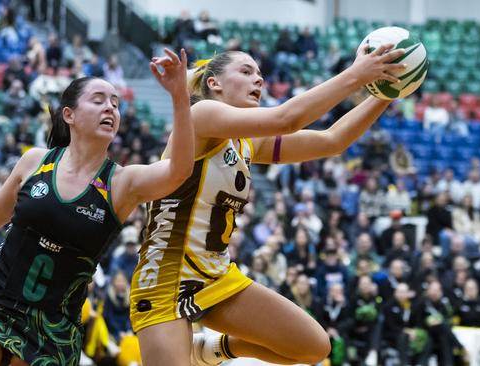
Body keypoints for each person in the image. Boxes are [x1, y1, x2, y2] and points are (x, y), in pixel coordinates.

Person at [0, 48, 193, 366]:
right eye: (98, 99)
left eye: (115, 103)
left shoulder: (122, 182)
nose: (110, 107)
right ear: (68, 114)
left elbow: (179, 170)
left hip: (53, 330)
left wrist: (180, 97)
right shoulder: (35, 161)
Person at [130, 44, 407, 365]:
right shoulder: (201, 115)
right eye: (246, 72)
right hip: (164, 277)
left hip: (215, 275)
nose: (258, 80)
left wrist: (386, 94)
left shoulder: (246, 142)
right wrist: (357, 74)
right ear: (214, 83)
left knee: (312, 346)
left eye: (260, 75)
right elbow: (287, 118)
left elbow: (332, 141)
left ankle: (209, 348)